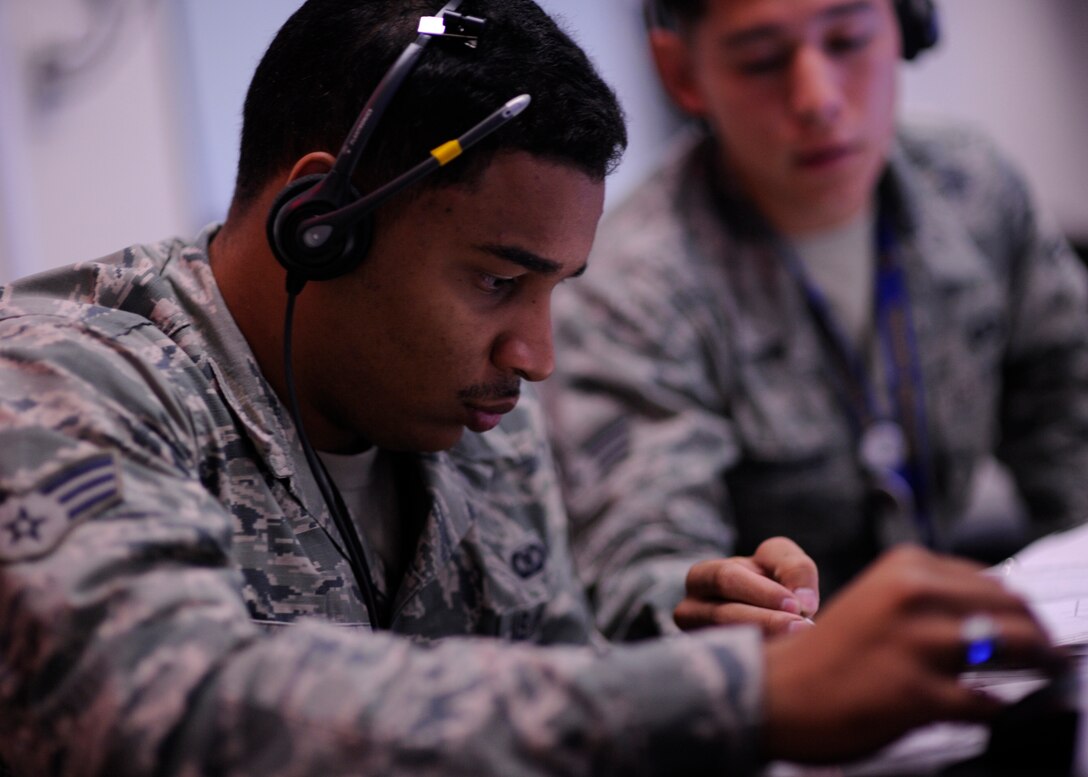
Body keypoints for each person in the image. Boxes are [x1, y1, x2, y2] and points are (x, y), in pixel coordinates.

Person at [0, 1, 1066, 775]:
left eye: (557, 288)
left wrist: (679, 633)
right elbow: (170, 709)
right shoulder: (61, 382)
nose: (538, 354)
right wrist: (735, 698)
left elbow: (551, 680)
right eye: (499, 281)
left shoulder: (470, 415)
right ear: (318, 221)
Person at [544, 0, 1088, 641]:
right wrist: (709, 609)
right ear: (682, 73)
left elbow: (1072, 436)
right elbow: (644, 566)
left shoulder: (974, 189)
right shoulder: (627, 290)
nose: (817, 98)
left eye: (848, 40)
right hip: (779, 695)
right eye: (762, 60)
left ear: (906, 28)